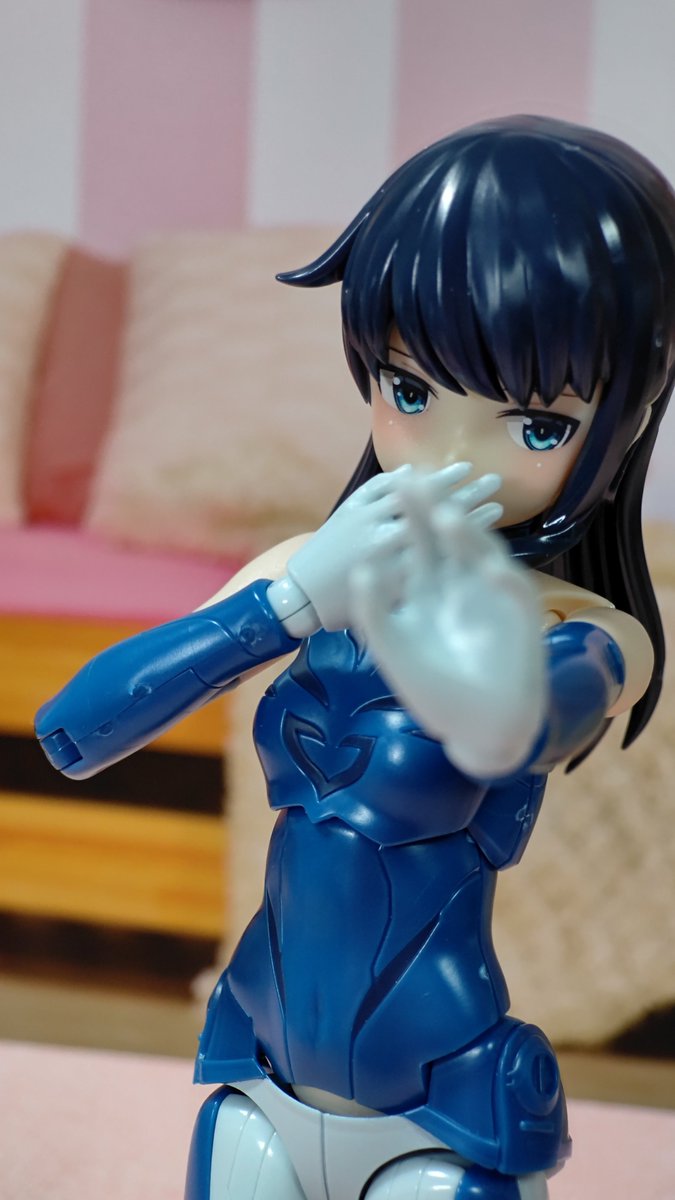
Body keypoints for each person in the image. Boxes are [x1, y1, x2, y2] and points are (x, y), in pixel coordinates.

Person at [36, 117, 675, 1200]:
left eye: (534, 425)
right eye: (411, 392)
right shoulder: (307, 574)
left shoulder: (593, 633)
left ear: (620, 422)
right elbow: (72, 733)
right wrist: (288, 601)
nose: (452, 460)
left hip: (442, 1108)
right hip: (261, 1073)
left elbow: (509, 727)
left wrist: (430, 610)